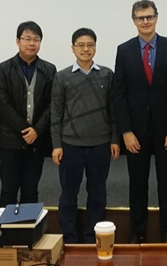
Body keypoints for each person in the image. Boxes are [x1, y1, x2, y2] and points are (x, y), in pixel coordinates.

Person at [113, 0, 167, 243]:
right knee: (137, 184)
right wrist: (125, 131)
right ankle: (137, 232)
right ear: (133, 21)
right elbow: (119, 94)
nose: (145, 21)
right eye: (140, 18)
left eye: (149, 17)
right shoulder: (124, 50)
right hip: (135, 132)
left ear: (156, 18)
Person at [51, 28, 120, 244]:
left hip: (100, 144)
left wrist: (115, 139)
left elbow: (114, 110)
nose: (85, 49)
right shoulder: (62, 77)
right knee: (68, 194)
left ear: (95, 48)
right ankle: (69, 238)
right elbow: (56, 113)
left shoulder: (107, 74)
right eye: (80, 45)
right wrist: (56, 144)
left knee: (97, 194)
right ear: (73, 48)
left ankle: (92, 238)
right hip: (70, 145)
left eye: (90, 45)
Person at [0, 21, 56, 208]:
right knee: (9, 189)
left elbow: (52, 104)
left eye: (36, 39)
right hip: (10, 140)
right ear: (17, 41)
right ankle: (6, 226)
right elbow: (2, 103)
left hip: (37, 141)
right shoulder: (4, 68)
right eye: (27, 39)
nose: (31, 43)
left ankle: (28, 226)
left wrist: (37, 130)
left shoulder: (49, 69)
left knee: (31, 189)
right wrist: (24, 129)